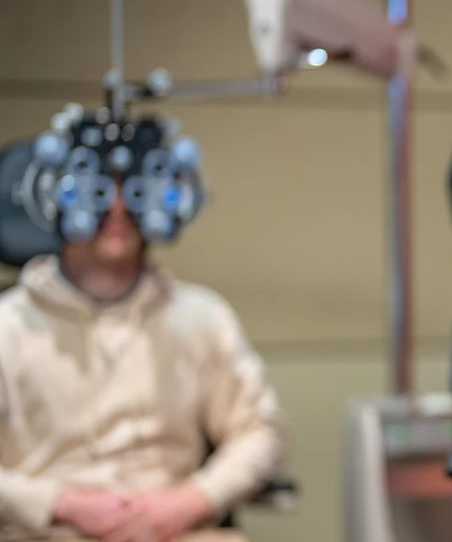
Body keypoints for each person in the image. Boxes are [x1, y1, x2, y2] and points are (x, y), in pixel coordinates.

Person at [0, 174, 289, 541]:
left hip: (174, 529)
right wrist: (58, 503)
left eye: (134, 187)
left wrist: (189, 502)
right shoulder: (8, 326)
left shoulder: (200, 317)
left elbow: (260, 431)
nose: (119, 207)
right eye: (99, 189)